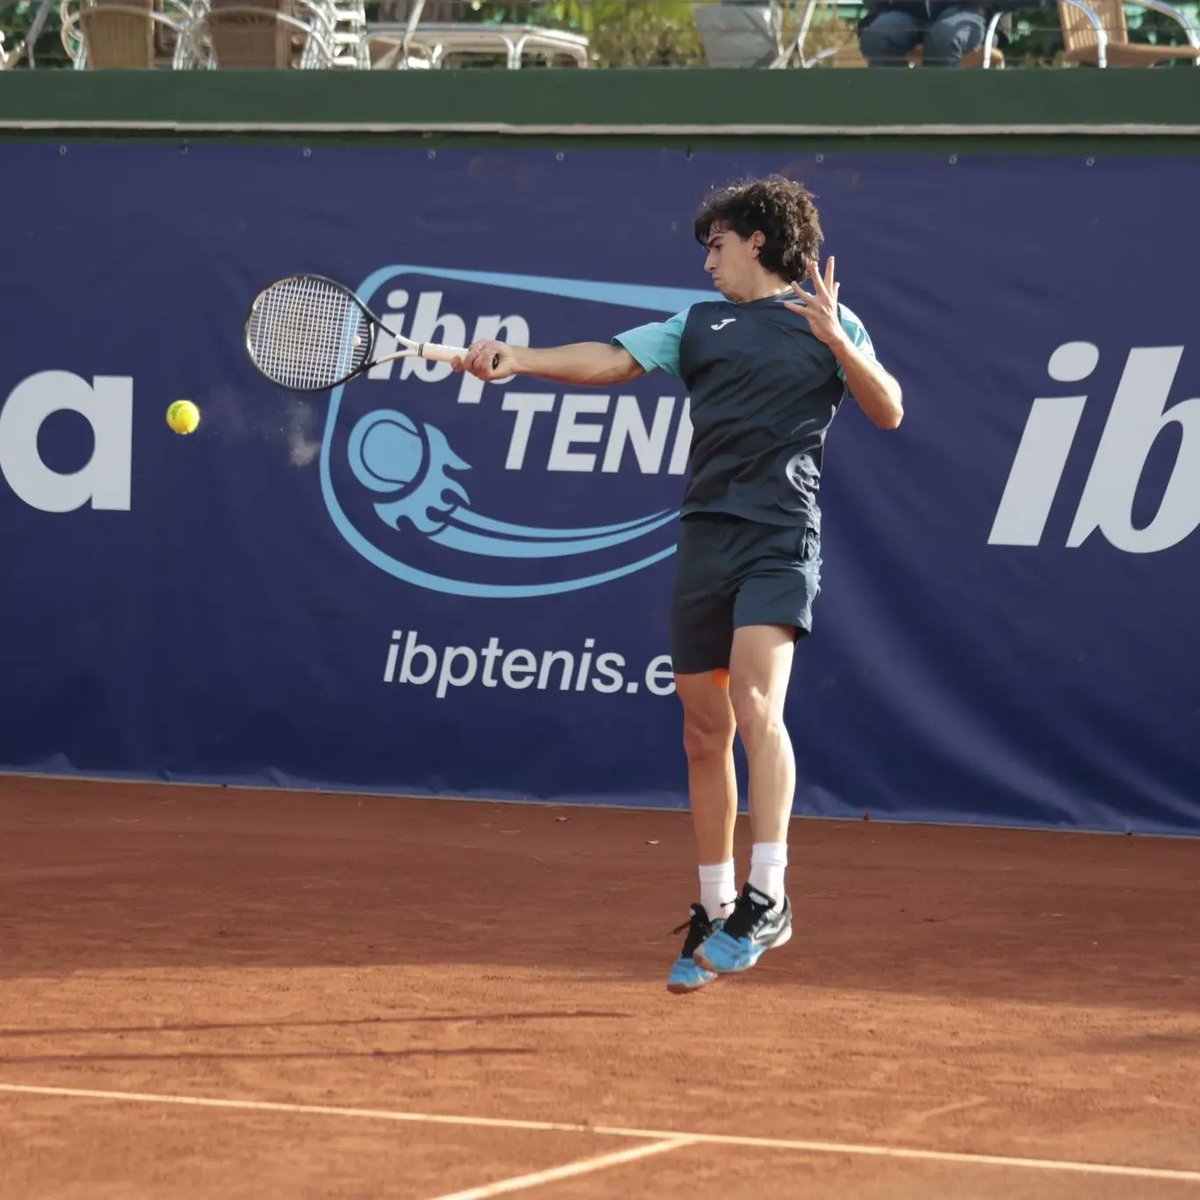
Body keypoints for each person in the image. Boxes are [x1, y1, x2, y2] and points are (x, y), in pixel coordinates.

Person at [455, 176, 903, 993]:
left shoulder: (828, 323)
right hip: (705, 539)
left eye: (718, 244)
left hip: (778, 538)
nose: (708, 260)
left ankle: (769, 894)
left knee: (757, 707)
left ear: (758, 242)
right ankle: (716, 902)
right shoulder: (697, 325)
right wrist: (520, 358)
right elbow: (612, 361)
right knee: (704, 728)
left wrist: (842, 343)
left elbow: (890, 409)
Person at [858, 0, 990, 66]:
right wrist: (881, 9)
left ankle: (943, 108)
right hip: (906, 14)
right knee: (877, 36)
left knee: (942, 39)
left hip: (962, 13)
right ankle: (890, 109)